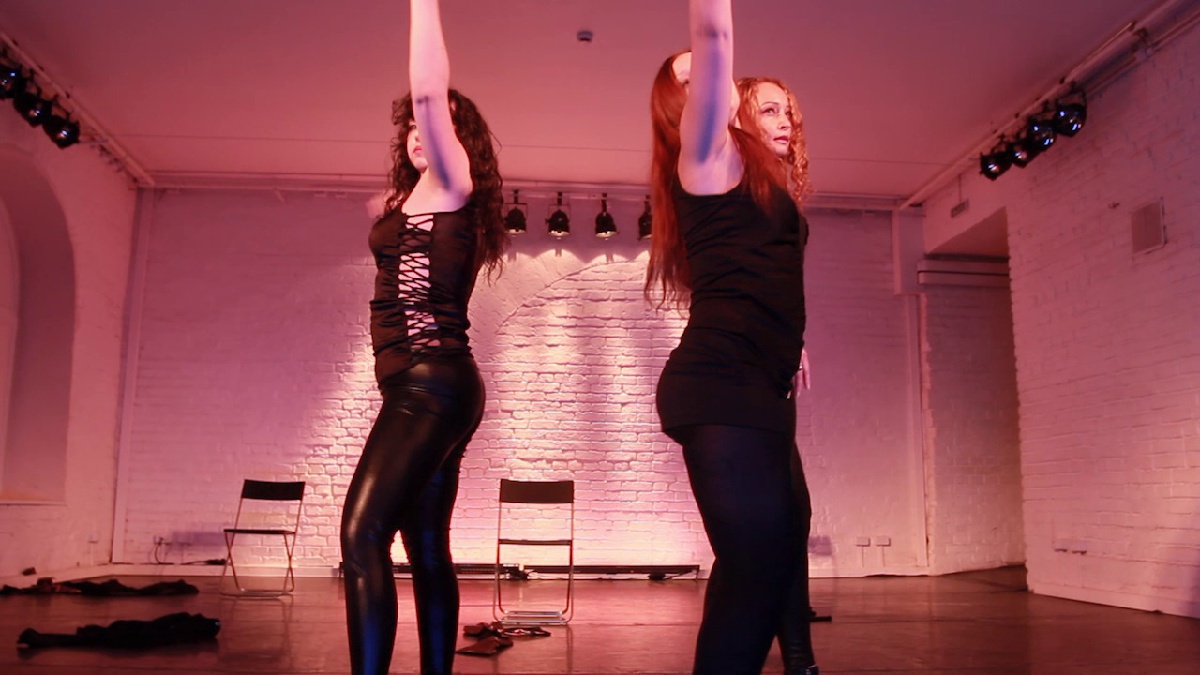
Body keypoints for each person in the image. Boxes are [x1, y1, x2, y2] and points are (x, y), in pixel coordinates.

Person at [339, 1, 505, 673]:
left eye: (432, 123)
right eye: (411, 125)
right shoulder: (420, 201)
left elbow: (431, 91)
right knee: (426, 548)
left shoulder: (452, 181)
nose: (420, 128)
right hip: (436, 385)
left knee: (362, 536)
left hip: (429, 385)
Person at [646, 1, 813, 672]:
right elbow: (714, 32)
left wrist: (794, 335)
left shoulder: (749, 179)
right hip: (721, 385)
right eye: (693, 80)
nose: (708, 84)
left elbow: (758, 271)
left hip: (759, 386)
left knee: (762, 561)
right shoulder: (704, 157)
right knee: (755, 568)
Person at [737, 75, 819, 675]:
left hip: (772, 366)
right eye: (769, 111)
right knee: (765, 526)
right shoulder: (737, 184)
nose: (785, 121)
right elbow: (734, 274)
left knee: (792, 513)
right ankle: (792, 660)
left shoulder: (776, 191)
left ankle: (800, 661)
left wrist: (796, 338)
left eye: (787, 111)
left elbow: (776, 277)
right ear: (742, 119)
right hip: (741, 369)